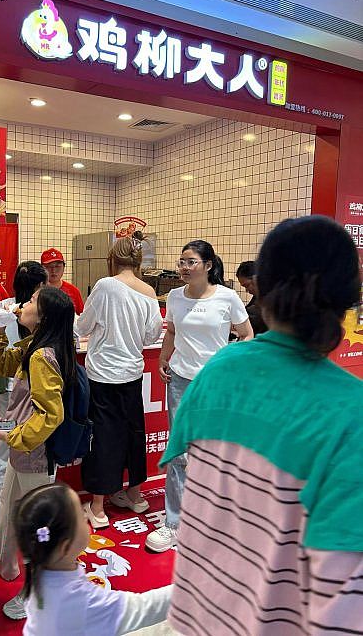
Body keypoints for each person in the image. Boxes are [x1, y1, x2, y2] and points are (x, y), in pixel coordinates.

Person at [163, 216, 363, 635]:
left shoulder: (218, 371)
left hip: (198, 613)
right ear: (348, 298)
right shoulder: (352, 413)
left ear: (263, 287)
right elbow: (345, 596)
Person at [146, 240, 253, 553]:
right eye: (181, 261)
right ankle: (174, 523)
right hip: (180, 380)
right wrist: (163, 357)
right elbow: (172, 331)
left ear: (208, 265)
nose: (184, 267)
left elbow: (247, 335)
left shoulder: (227, 297)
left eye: (191, 261)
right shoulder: (175, 297)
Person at [0, 286, 76, 620]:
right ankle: (4, 562)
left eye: (32, 301)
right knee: (8, 507)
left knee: (39, 526)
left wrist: (16, 437)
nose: (23, 304)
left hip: (34, 452)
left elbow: (52, 414)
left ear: (44, 315)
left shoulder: (41, 356)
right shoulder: (33, 345)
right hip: (22, 450)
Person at [77, 234, 163, 529]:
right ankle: (135, 495)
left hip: (103, 374)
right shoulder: (149, 292)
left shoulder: (105, 286)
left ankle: (98, 508)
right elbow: (151, 336)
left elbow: (83, 325)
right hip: (132, 374)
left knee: (103, 437)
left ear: (112, 259)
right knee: (133, 433)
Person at [14, 482, 172, 635]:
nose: (85, 515)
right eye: (81, 515)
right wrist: (185, 588)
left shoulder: (38, 568)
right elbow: (145, 608)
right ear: (66, 546)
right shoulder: (84, 601)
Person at [0, 261, 48, 545]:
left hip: (7, 396)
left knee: (0, 456)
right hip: (32, 394)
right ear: (39, 286)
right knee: (35, 457)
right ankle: (32, 525)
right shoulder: (42, 311)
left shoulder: (0, 308)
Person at [40, 248, 84, 314]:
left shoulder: (73, 291)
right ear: (41, 268)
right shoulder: (37, 291)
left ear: (64, 267)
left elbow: (81, 316)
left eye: (57, 266)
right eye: (48, 266)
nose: (53, 270)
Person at [236, 260, 268, 335]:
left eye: (247, 285)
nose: (247, 290)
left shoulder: (270, 297)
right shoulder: (257, 296)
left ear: (255, 279)